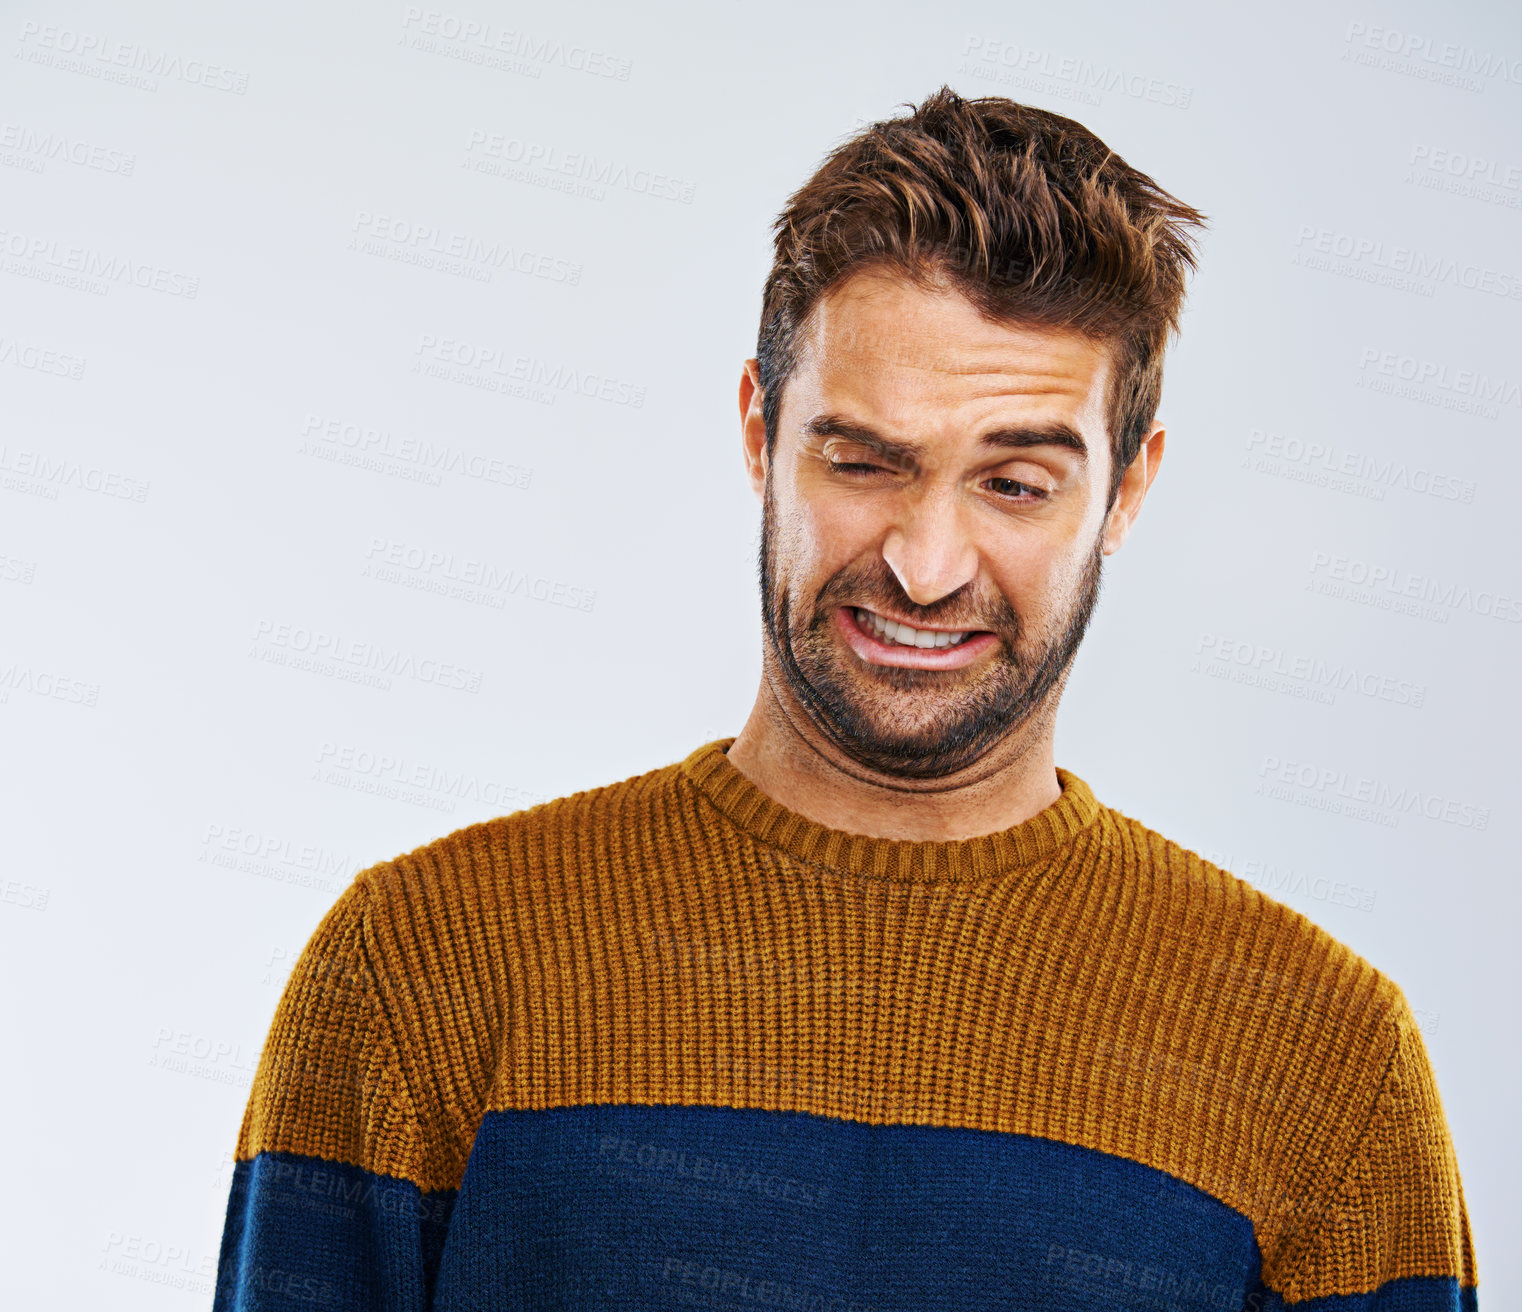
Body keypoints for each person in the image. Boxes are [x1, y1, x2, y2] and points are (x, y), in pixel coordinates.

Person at [213, 87, 1478, 1311]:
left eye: (1017, 483)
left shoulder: (1321, 1056)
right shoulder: (422, 963)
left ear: (1129, 490)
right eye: (865, 461)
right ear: (761, 432)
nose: (926, 566)